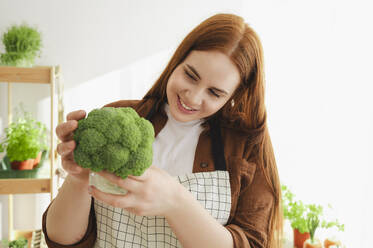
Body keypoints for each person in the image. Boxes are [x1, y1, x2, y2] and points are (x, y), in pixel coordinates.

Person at [42, 13, 283, 248]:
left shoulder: (245, 145)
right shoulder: (119, 118)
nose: (194, 97)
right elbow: (61, 240)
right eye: (190, 75)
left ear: (235, 95)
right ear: (178, 61)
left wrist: (175, 202)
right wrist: (77, 176)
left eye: (215, 92)